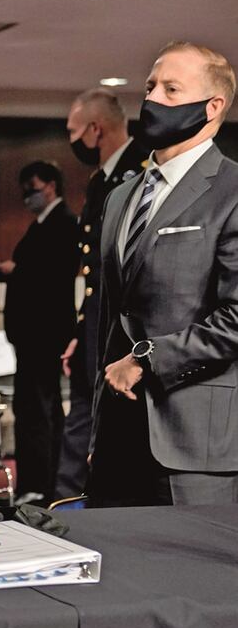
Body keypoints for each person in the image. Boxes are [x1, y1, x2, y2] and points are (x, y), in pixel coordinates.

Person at [92, 42, 238, 507]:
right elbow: (114, 312)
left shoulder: (232, 190)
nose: (153, 100)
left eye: (172, 90)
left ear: (213, 106)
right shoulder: (120, 196)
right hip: (117, 431)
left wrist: (145, 360)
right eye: (151, 87)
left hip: (195, 441)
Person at [53, 89, 147, 500]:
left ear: (95, 129)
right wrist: (80, 328)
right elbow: (94, 270)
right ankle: (67, 502)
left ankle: (99, 501)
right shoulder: (100, 180)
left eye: (74, 131)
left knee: (109, 415)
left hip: (125, 322)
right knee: (80, 410)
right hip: (95, 316)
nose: (72, 141)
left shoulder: (143, 169)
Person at [0, 161, 78, 505]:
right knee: (34, 409)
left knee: (39, 411)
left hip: (44, 334)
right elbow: (34, 271)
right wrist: (8, 269)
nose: (26, 195)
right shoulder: (43, 224)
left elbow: (49, 278)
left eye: (31, 187)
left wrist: (13, 270)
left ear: (50, 185)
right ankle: (36, 482)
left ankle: (39, 486)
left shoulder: (64, 222)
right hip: (32, 334)